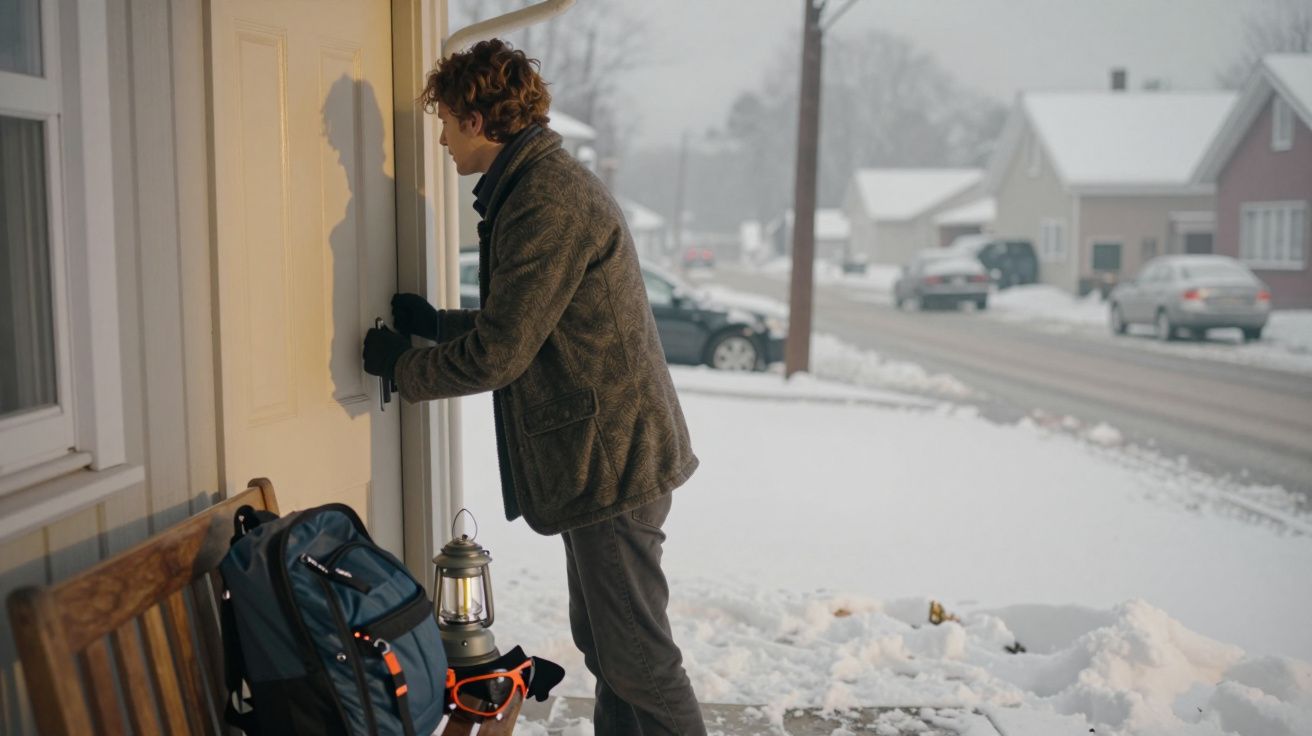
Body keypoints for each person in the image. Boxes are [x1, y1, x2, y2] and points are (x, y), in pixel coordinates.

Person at [362, 39, 707, 735]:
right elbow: (531, 317)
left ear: (480, 119)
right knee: (611, 650)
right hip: (605, 460)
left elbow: (501, 353)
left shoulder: (546, 199)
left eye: (448, 120)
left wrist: (402, 368)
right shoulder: (534, 185)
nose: (441, 137)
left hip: (613, 462)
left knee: (638, 658)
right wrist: (435, 324)